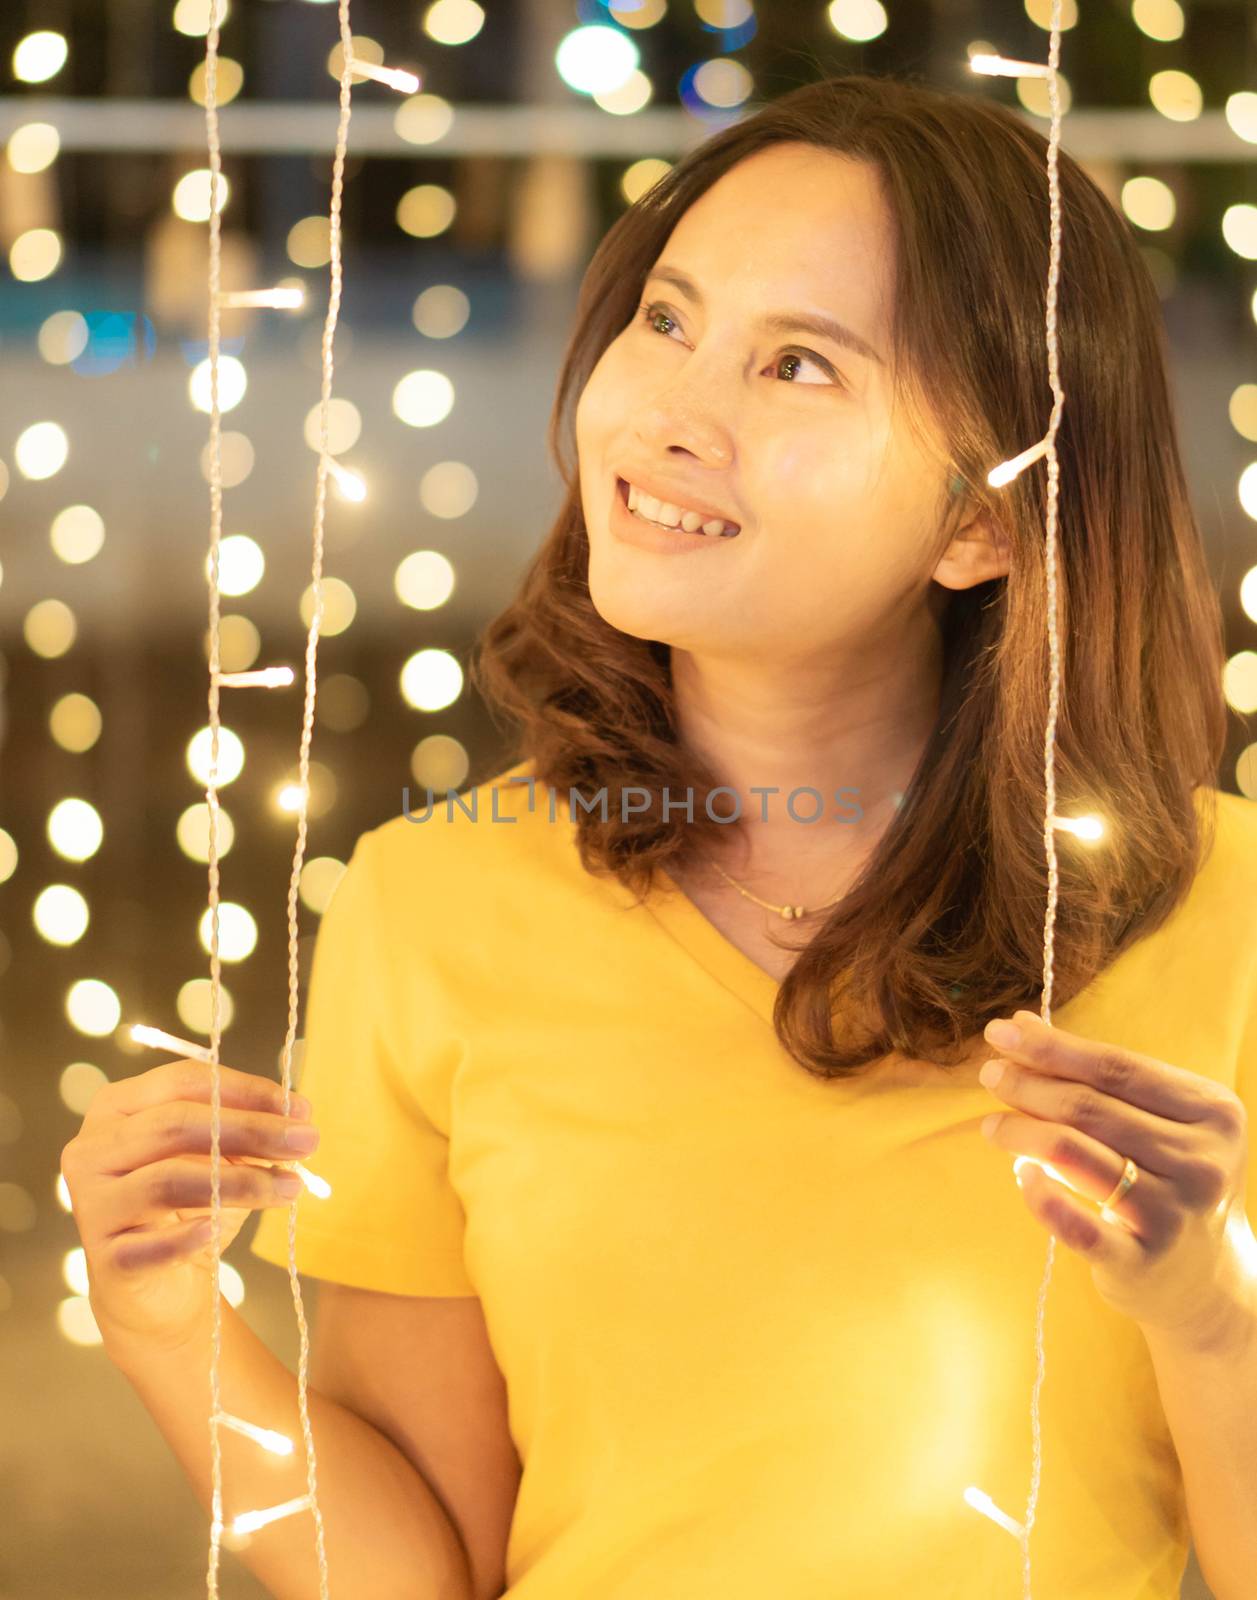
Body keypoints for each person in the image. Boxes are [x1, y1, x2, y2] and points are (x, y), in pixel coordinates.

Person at [63, 72, 1257, 1600]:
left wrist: (1211, 1311)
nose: (670, 414)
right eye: (669, 320)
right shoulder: (433, 904)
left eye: (799, 365)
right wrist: (167, 1326)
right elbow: (424, 1576)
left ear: (985, 521)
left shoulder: (1216, 914)